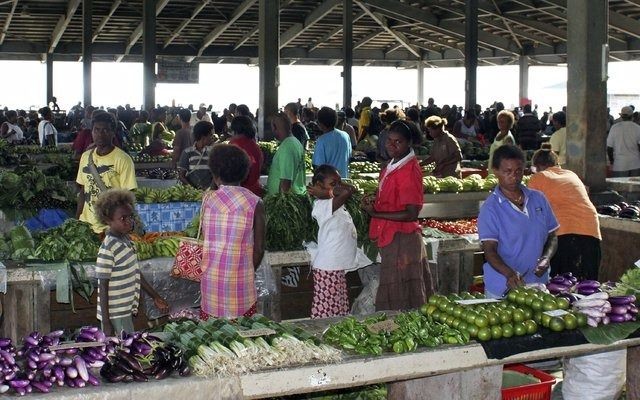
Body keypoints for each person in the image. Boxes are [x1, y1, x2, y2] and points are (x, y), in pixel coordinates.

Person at [362, 120, 435, 311]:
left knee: (400, 295)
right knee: (398, 292)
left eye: (398, 142)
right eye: (389, 141)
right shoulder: (393, 164)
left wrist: (376, 213)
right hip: (391, 236)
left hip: (402, 239)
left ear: (408, 143)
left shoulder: (409, 170)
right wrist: (375, 199)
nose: (392, 145)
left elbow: (411, 213)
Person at [478, 145, 559, 298]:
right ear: (495, 171)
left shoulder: (538, 198)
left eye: (518, 171)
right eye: (507, 172)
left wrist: (546, 257)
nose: (514, 176)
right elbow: (489, 250)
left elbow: (552, 236)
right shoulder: (490, 208)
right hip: (503, 288)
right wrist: (509, 273)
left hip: (537, 286)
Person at [200, 144, 266, 319]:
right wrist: (247, 270)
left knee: (213, 337)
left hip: (211, 282)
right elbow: (259, 249)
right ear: (244, 172)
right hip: (241, 285)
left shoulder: (207, 199)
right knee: (242, 337)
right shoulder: (255, 202)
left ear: (215, 174)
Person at [94, 189, 169, 335]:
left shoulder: (127, 241)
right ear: (108, 220)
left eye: (130, 217)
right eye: (123, 218)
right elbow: (102, 286)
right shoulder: (108, 247)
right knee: (120, 350)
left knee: (125, 347)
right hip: (114, 313)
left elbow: (135, 273)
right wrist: (106, 322)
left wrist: (155, 296)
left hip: (125, 309)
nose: (129, 222)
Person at [528, 144, 601, 280]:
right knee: (588, 284)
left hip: (564, 233)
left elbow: (531, 212)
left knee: (562, 284)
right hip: (591, 230)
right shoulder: (571, 174)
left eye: (534, 169)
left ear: (539, 166)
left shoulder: (538, 178)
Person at [307, 165, 357, 319]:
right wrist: (325, 193)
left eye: (339, 182)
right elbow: (347, 191)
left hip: (337, 266)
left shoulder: (334, 202)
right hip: (328, 267)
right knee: (326, 310)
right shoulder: (322, 205)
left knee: (339, 307)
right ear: (318, 187)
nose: (338, 187)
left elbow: (351, 188)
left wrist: (329, 189)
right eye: (333, 183)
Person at [76, 112, 137, 233]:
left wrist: (119, 226)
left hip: (109, 228)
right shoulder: (85, 157)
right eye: (96, 130)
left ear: (113, 133)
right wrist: (77, 219)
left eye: (105, 130)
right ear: (92, 132)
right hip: (86, 226)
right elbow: (83, 191)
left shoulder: (123, 159)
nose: (100, 134)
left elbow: (127, 199)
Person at [266, 113, 306, 195]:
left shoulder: (287, 146)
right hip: (297, 196)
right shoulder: (295, 142)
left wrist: (280, 204)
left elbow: (286, 182)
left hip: (286, 202)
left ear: (274, 127)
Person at [312, 107, 352, 178]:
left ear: (321, 124)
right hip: (344, 180)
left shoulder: (322, 140)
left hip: (328, 184)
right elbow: (349, 157)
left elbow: (318, 167)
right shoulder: (345, 136)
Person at [229, 115, 264, 196]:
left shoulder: (233, 145)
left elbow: (228, 173)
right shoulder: (256, 146)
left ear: (234, 129)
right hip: (255, 193)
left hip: (238, 195)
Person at [178, 121, 214, 190]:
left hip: (209, 193)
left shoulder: (212, 152)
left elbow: (215, 175)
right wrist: (193, 190)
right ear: (203, 137)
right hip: (193, 194)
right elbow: (181, 176)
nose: (212, 137)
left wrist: (210, 190)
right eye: (210, 135)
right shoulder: (187, 152)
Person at [607, 106, 640, 177]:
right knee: (634, 187)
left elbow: (609, 147)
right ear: (632, 116)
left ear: (621, 116)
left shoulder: (614, 128)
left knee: (619, 187)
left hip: (620, 164)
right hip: (635, 163)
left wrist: (612, 161)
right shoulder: (637, 128)